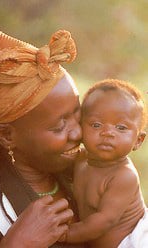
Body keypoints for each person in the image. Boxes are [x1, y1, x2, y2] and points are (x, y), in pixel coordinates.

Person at [0, 23, 84, 247]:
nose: (78, 132)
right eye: (59, 126)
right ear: (6, 136)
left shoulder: (89, 174)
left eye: (78, 115)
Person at [62, 79, 148, 247]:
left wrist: (65, 234)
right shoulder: (80, 159)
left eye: (121, 128)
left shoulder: (124, 176)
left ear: (138, 140)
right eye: (96, 124)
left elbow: (103, 221)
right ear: (80, 128)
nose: (107, 133)